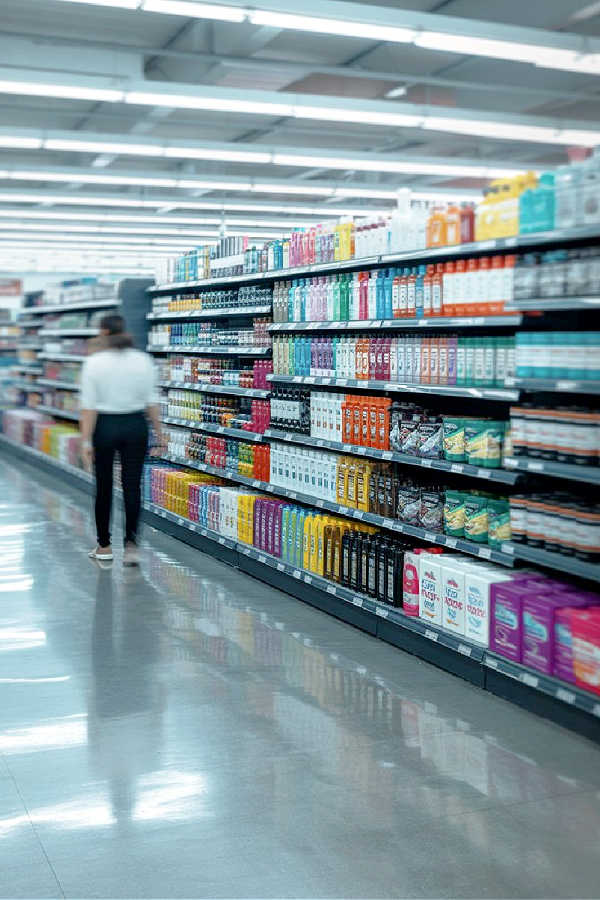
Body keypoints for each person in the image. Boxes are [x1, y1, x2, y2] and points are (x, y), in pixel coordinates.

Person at [79, 314, 165, 565]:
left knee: (103, 487)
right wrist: (160, 434)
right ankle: (131, 546)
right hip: (135, 425)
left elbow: (88, 407)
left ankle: (104, 546)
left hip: (105, 426)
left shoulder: (94, 363)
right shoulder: (143, 361)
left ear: (104, 333)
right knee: (132, 486)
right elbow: (151, 402)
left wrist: (85, 442)